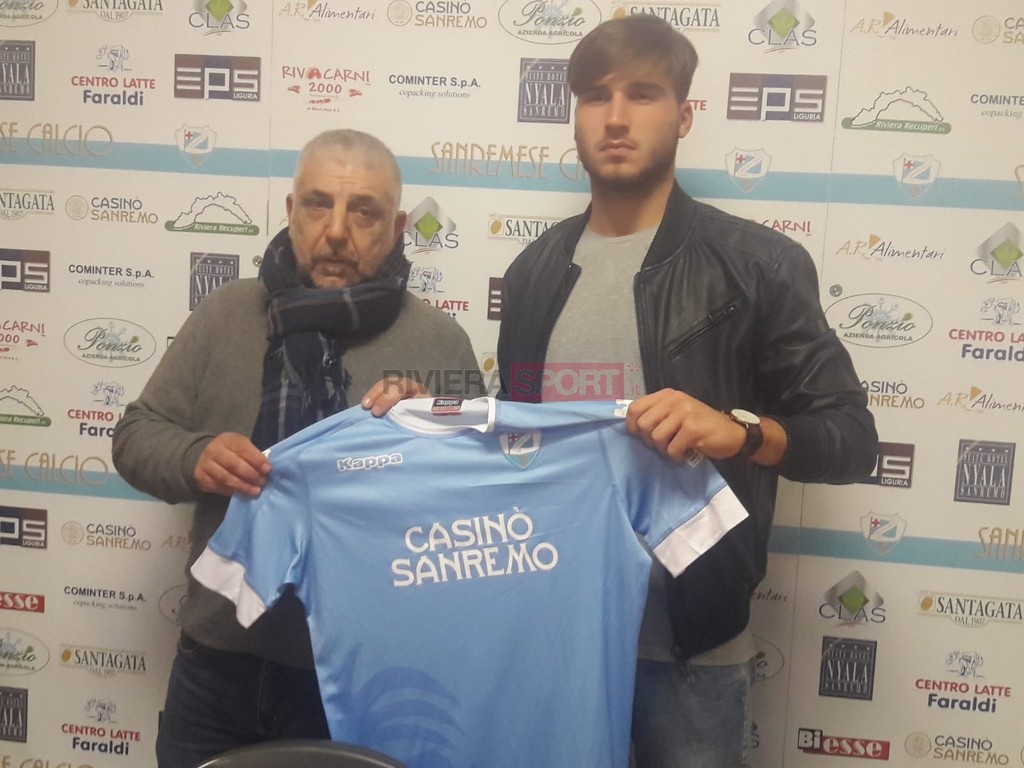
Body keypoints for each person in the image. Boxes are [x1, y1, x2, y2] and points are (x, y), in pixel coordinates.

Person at [496, 15, 878, 768]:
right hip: (556, 635)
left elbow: (852, 438)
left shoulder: (756, 263)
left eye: (642, 94)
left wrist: (742, 432)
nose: (615, 117)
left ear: (684, 115)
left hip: (692, 647)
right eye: (596, 95)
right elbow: (516, 440)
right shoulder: (531, 273)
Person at [112, 129, 483, 768]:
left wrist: (426, 437)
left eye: (363, 212)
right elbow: (136, 436)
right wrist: (196, 456)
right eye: (317, 204)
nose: (336, 231)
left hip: (365, 675)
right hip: (217, 667)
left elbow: (476, 508)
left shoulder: (440, 342)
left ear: (397, 228)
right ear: (290, 211)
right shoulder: (226, 315)